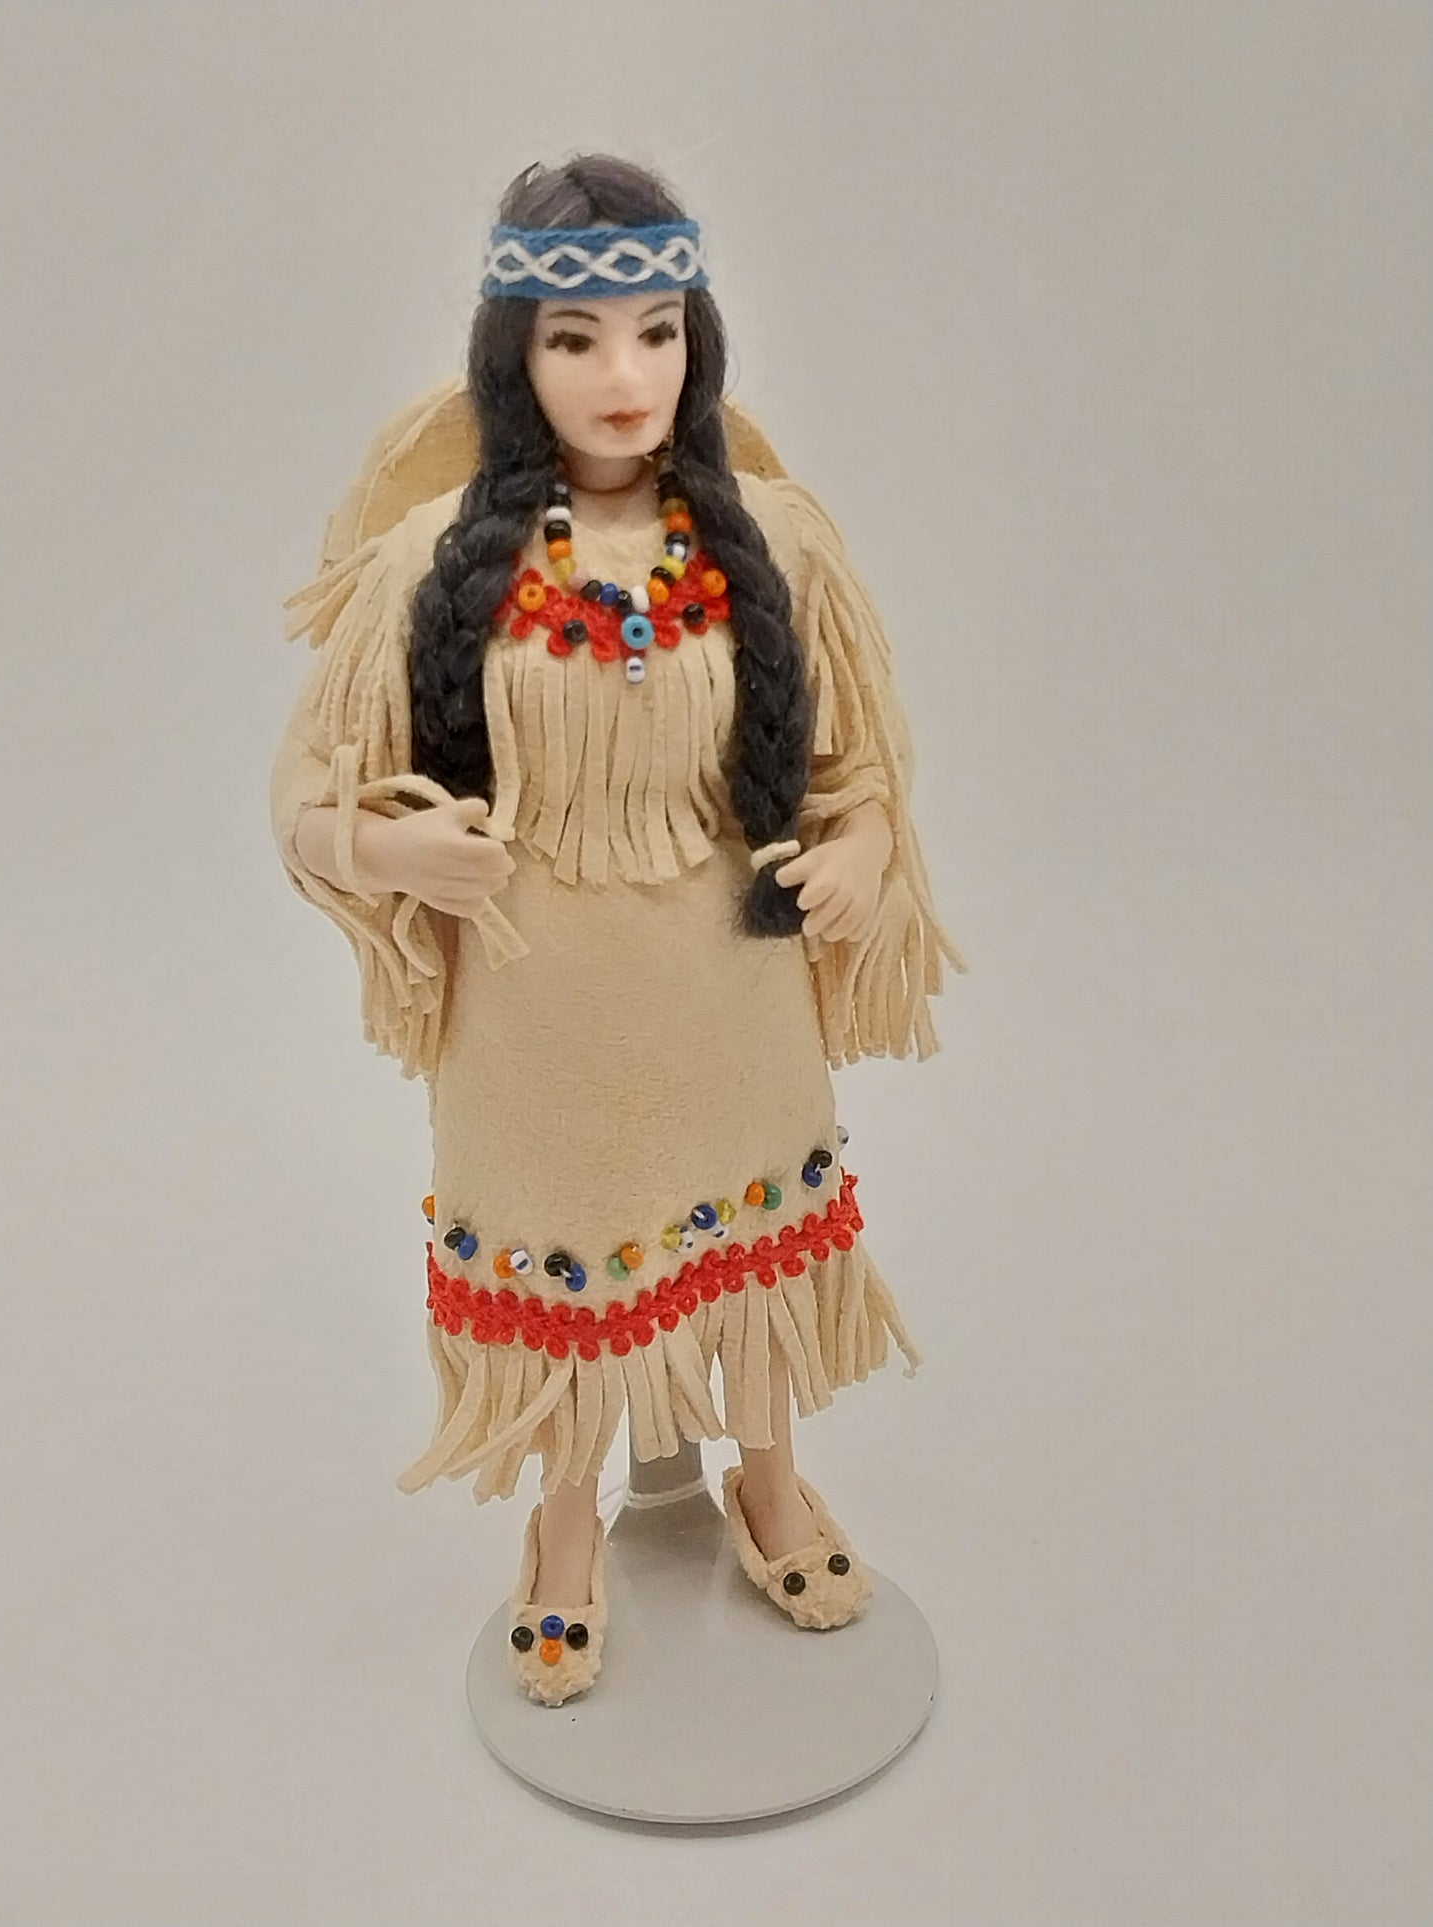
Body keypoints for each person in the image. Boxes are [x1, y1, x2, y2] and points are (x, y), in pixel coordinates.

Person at [269, 152, 967, 1706]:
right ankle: (564, 1523)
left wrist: (859, 851)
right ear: (511, 357)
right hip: (535, 1013)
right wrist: (389, 846)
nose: (623, 375)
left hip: (731, 983)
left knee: (753, 1241)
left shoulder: (773, 538)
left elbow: (855, 766)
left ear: (696, 341)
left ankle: (767, 1476)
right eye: (576, 339)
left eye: (656, 331)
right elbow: (304, 802)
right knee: (564, 1266)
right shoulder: (432, 562)